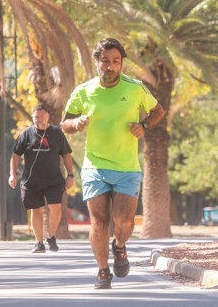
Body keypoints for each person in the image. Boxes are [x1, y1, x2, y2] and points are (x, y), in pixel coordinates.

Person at [61, 38, 165, 289]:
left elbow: (158, 111)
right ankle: (102, 271)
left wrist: (144, 126)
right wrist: (77, 124)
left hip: (127, 168)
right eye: (105, 61)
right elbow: (65, 123)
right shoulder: (83, 91)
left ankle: (119, 247)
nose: (110, 66)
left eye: (116, 61)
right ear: (96, 62)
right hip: (95, 166)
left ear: (121, 63)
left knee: (124, 221)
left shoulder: (135, 88)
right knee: (99, 220)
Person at [9, 105, 75, 253]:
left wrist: (70, 175)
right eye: (35, 117)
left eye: (41, 116)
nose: (38, 119)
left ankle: (51, 237)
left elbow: (66, 154)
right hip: (31, 181)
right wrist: (12, 174)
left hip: (54, 180)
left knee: (55, 208)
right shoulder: (26, 134)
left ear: (47, 117)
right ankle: (39, 243)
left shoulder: (56, 133)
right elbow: (15, 155)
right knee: (36, 211)